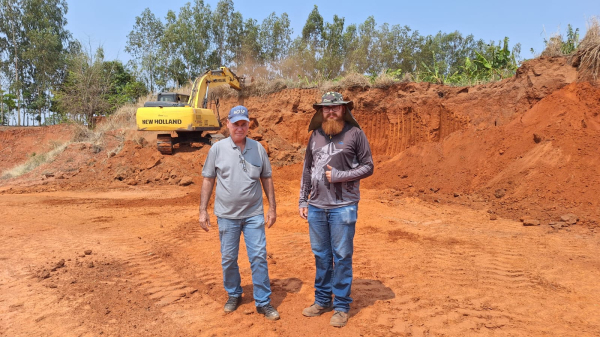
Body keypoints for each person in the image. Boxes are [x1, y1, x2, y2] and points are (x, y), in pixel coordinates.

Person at [299, 92, 374, 327]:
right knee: (321, 256)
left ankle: (341, 305)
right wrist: (303, 199)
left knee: (341, 257)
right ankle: (322, 300)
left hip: (344, 207)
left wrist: (341, 176)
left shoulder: (355, 134)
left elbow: (368, 166)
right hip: (317, 207)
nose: (330, 112)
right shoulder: (315, 135)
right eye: (326, 109)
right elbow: (308, 169)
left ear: (344, 110)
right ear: (321, 111)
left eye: (335, 108)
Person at [198, 105, 279, 321]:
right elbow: (208, 179)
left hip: (253, 214)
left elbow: (267, 178)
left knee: (259, 256)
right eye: (236, 124)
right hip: (226, 215)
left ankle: (263, 302)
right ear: (228, 124)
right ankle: (234, 294)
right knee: (228, 258)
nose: (240, 128)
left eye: (244, 124)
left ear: (248, 125)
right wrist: (202, 211)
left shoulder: (258, 148)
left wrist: (272, 207)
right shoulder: (217, 149)